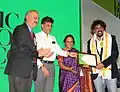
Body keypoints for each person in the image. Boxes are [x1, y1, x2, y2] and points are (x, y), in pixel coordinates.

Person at [35, 16, 77, 92]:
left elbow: (58, 50)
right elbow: (34, 54)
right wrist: (41, 66)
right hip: (41, 66)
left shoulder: (53, 38)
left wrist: (68, 54)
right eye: (48, 25)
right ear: (42, 26)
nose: (50, 28)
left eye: (51, 26)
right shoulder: (37, 36)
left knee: (49, 89)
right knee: (39, 89)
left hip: (51, 66)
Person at [4, 10, 40, 92]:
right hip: (18, 71)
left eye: (38, 18)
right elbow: (22, 48)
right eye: (35, 18)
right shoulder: (20, 29)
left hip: (27, 71)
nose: (37, 21)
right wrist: (38, 53)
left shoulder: (32, 33)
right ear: (27, 17)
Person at [87, 20, 119, 92]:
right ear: (93, 30)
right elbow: (89, 56)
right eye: (96, 28)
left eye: (101, 27)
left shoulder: (111, 38)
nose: (99, 29)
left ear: (104, 29)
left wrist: (103, 64)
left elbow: (115, 54)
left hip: (110, 72)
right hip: (96, 72)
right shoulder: (90, 42)